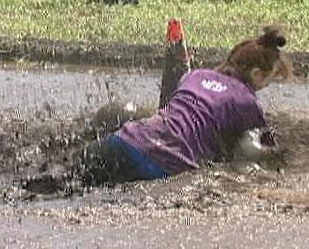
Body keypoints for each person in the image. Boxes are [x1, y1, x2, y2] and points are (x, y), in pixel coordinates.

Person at [41, 26, 293, 191]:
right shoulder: (247, 101)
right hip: (160, 162)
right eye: (271, 78)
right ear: (257, 74)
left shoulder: (195, 76)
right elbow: (262, 149)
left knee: (56, 181)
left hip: (123, 139)